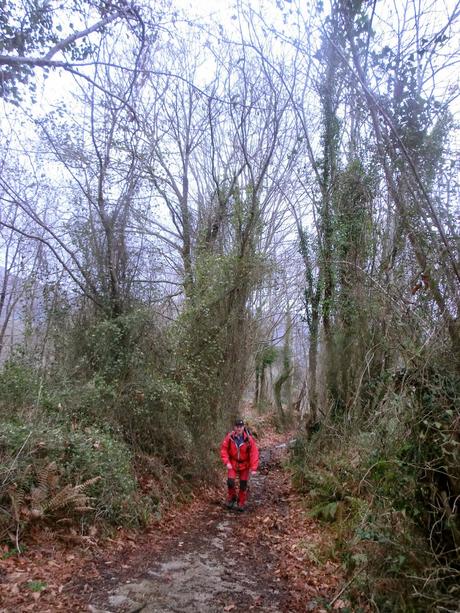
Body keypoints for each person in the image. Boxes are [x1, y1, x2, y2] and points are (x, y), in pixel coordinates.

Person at [220, 418, 259, 511]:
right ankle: (232, 498)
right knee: (230, 482)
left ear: (243, 427)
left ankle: (241, 502)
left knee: (243, 484)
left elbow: (254, 453)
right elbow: (224, 450)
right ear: (234, 427)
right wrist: (227, 462)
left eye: (241, 427)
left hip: (245, 464)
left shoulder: (248, 439)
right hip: (233, 463)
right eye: (237, 426)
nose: (239, 428)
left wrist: (253, 468)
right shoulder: (229, 438)